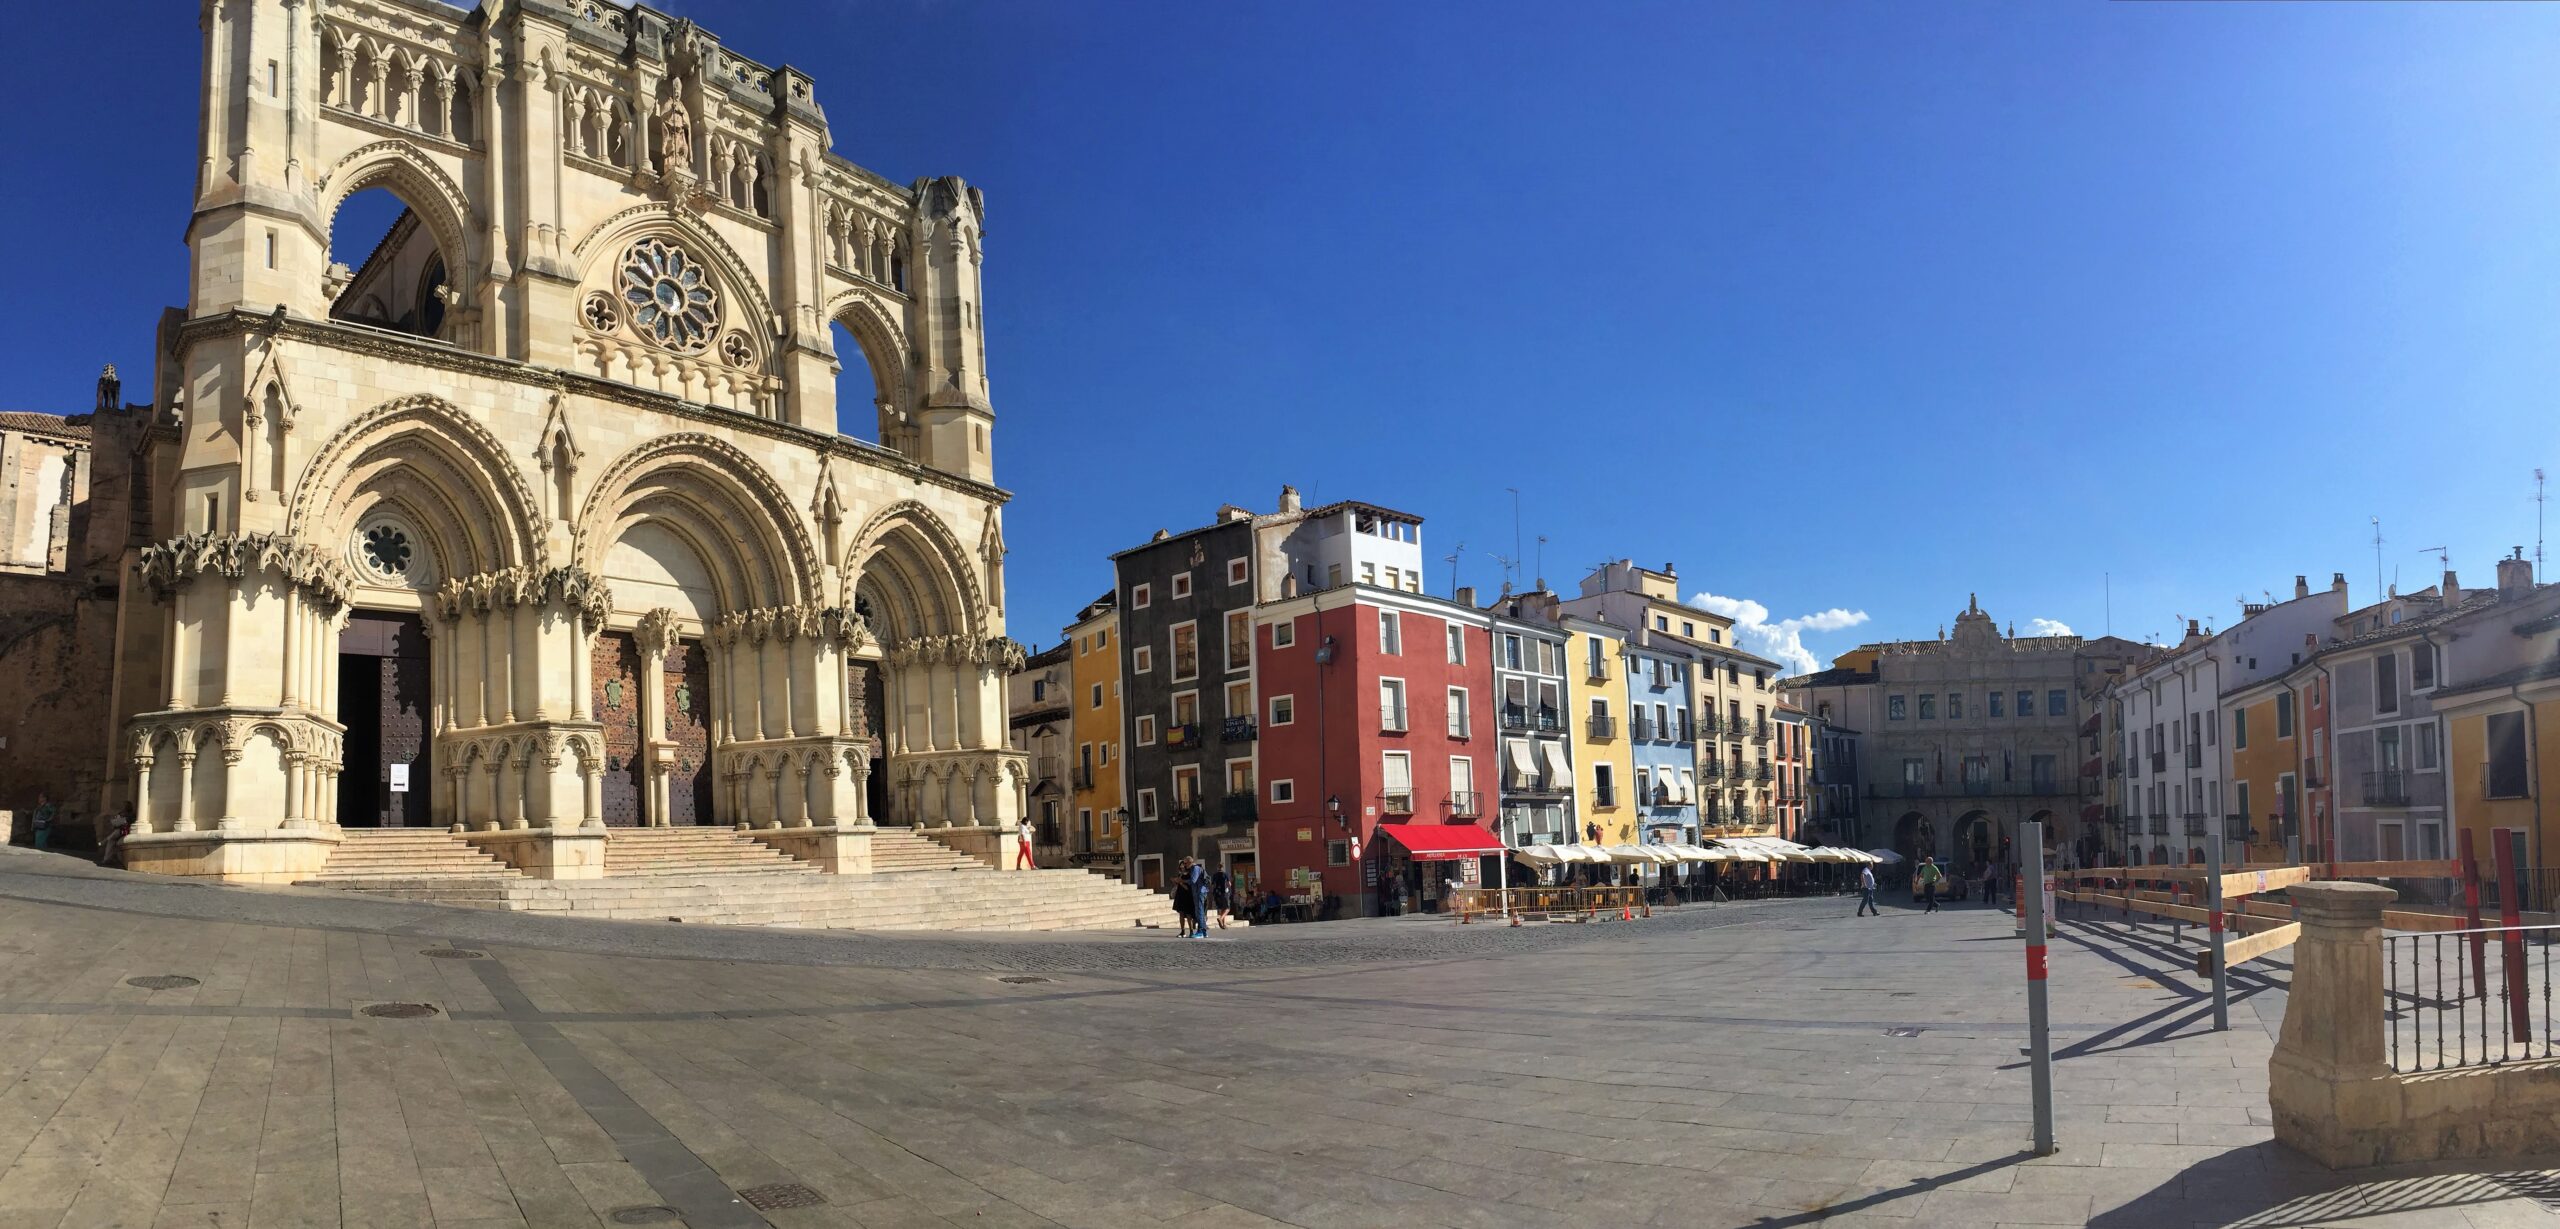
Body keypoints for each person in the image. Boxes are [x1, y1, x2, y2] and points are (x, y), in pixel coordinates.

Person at [97, 802, 135, 869]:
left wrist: (123, 821)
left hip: (124, 831)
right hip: (119, 830)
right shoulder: (122, 812)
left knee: (113, 836)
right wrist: (118, 820)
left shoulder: (131, 814)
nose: (124, 807)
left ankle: (104, 842)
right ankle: (107, 859)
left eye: (126, 806)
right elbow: (115, 822)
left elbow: (130, 822)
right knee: (111, 840)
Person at [1184, 856, 1211, 937]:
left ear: (1189, 862)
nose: (1184, 865)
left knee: (1199, 912)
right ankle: (1204, 932)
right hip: (1199, 892)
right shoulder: (1195, 868)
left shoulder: (1195, 868)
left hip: (1199, 892)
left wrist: (1183, 881)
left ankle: (1200, 931)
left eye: (1185, 863)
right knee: (1200, 912)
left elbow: (1193, 880)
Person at [1171, 858, 1197, 936]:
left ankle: (1191, 931)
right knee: (1181, 914)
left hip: (1187, 895)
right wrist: (1175, 881)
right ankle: (1183, 931)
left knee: (1189, 915)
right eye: (1181, 866)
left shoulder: (1190, 874)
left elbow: (1188, 887)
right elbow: (1178, 884)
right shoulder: (1180, 874)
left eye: (1184, 865)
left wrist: (1180, 882)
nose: (1182, 867)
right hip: (1180, 895)